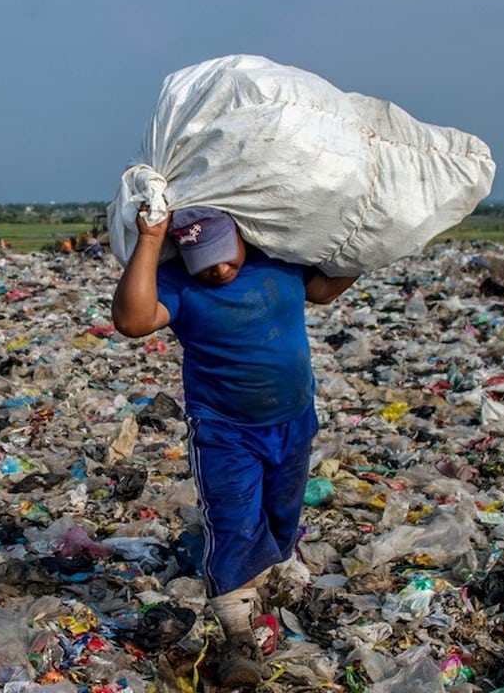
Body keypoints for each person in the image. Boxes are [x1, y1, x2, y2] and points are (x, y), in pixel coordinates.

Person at [111, 205, 358, 687]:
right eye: (203, 260)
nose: (218, 269)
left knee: (282, 516)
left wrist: (376, 244)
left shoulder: (279, 262)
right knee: (233, 521)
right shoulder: (180, 285)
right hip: (224, 430)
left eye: (224, 256)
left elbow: (325, 290)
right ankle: (238, 637)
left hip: (292, 419)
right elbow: (133, 320)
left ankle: (269, 580)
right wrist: (149, 237)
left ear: (244, 236)